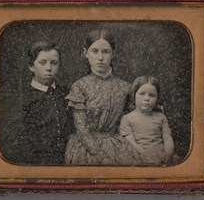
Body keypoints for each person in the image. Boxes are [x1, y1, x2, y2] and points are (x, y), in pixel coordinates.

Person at [65, 29, 141, 165]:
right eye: (94, 51)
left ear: (113, 54)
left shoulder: (126, 87)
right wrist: (101, 157)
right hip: (86, 149)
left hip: (119, 146)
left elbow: (133, 125)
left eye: (106, 51)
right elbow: (82, 130)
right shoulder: (79, 86)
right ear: (85, 53)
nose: (100, 58)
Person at [13, 41, 73, 164]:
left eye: (54, 63)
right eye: (42, 63)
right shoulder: (23, 99)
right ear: (31, 66)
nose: (49, 68)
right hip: (36, 163)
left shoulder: (67, 93)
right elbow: (19, 141)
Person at [120, 76, 174, 165]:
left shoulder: (161, 117)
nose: (147, 98)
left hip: (161, 157)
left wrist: (168, 153)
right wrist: (146, 156)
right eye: (142, 93)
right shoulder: (127, 118)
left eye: (152, 95)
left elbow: (167, 137)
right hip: (139, 157)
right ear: (134, 95)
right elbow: (131, 142)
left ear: (157, 98)